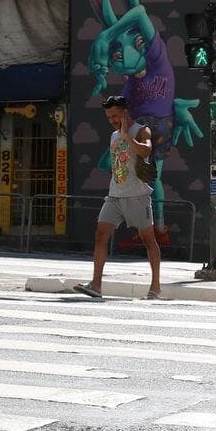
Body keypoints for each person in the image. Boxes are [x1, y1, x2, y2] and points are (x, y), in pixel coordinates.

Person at [74, 95, 161, 299]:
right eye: (108, 117)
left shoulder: (141, 130)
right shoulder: (113, 136)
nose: (112, 120)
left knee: (148, 240)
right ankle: (96, 285)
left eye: (115, 115)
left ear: (125, 112)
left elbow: (146, 150)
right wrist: (119, 134)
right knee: (101, 234)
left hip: (137, 196)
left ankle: (155, 287)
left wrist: (125, 135)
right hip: (115, 195)